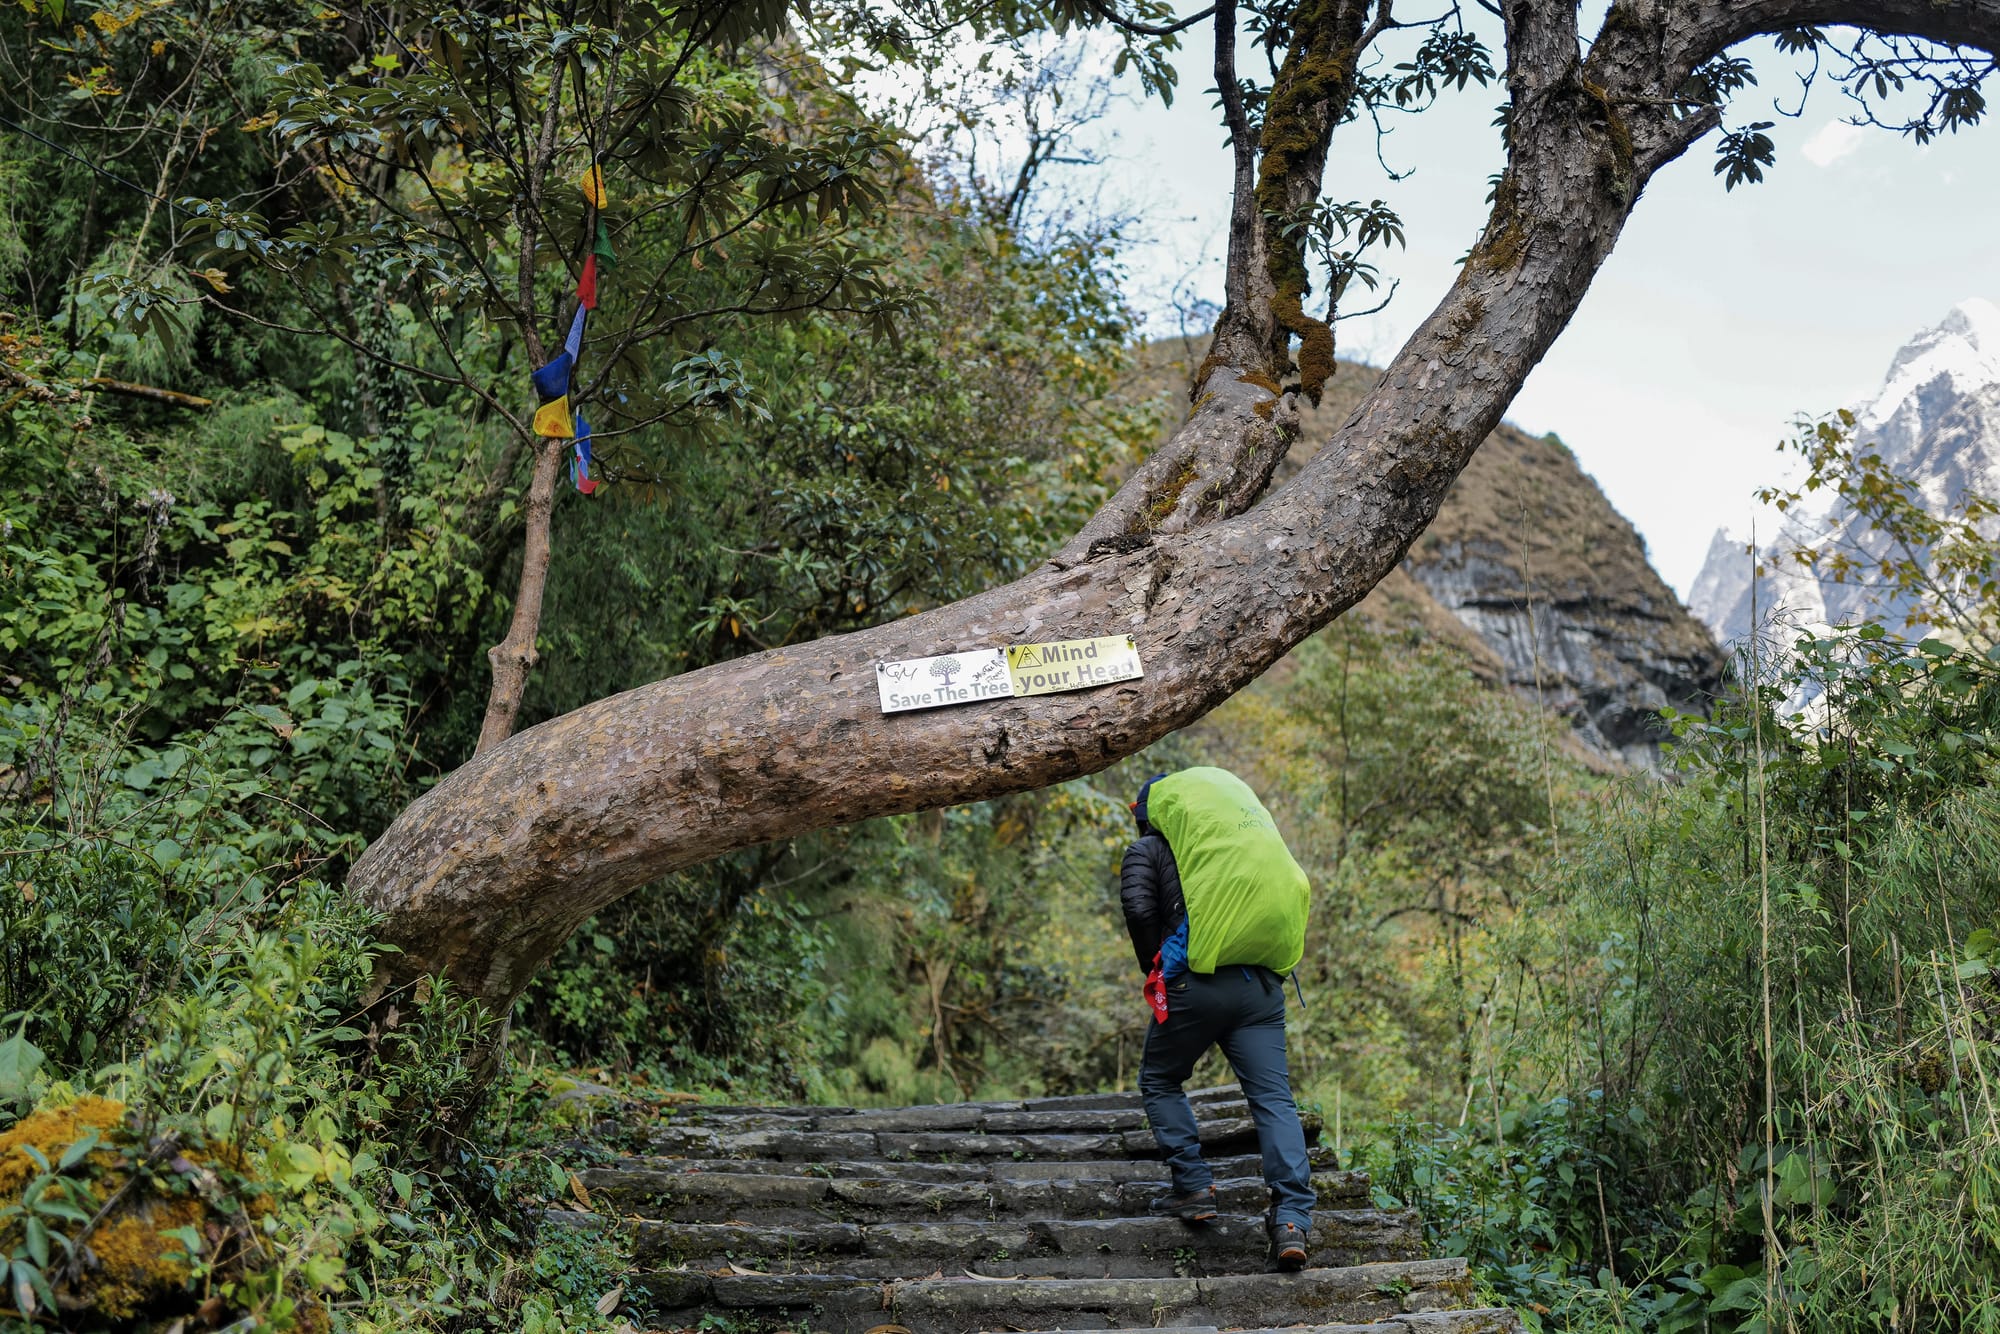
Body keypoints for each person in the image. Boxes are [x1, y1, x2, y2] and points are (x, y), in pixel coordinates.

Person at [1118, 766, 1317, 1272]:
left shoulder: (1152, 849)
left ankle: (1193, 1186)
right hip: (1260, 987)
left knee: (1160, 1079)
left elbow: (1140, 909)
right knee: (1274, 1099)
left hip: (1195, 984)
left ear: (1148, 817)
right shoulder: (1225, 848)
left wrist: (1156, 966)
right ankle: (1292, 1218)